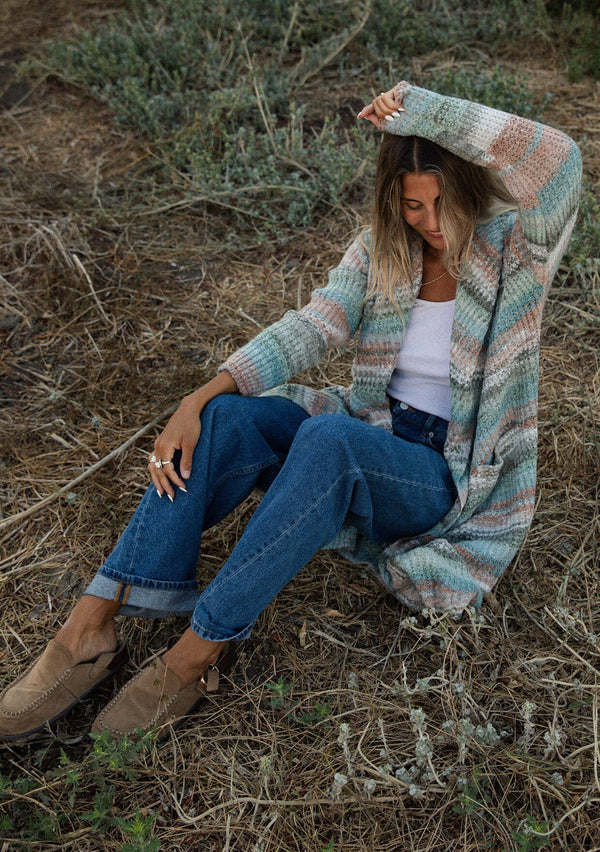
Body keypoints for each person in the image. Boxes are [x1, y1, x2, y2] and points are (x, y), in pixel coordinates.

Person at [0, 82, 582, 741]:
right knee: (228, 419)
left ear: (471, 190)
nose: (430, 221)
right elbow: (313, 326)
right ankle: (90, 628)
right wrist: (198, 397)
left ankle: (197, 653)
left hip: (443, 477)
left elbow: (559, 159)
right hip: (374, 433)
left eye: (443, 202)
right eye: (413, 204)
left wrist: (424, 110)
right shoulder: (383, 251)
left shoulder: (517, 249)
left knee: (330, 440)